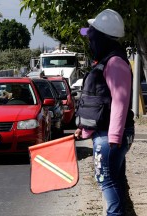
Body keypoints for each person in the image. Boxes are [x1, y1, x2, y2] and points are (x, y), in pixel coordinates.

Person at [74, 9, 135, 216]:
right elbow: (100, 102)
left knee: (107, 182)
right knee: (115, 181)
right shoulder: (106, 59)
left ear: (102, 38)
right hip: (106, 134)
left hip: (111, 136)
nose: (89, 42)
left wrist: (115, 136)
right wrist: (83, 130)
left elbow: (120, 100)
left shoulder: (115, 63)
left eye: (91, 37)